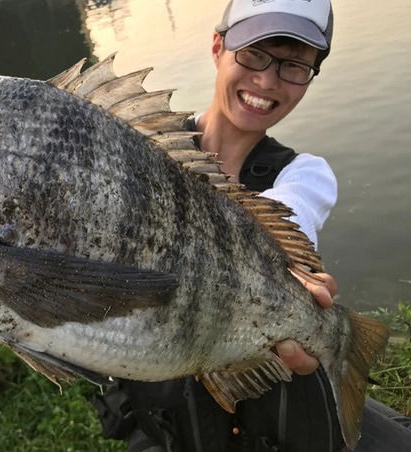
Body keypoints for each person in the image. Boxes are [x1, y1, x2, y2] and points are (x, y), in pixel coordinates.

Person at [93, 1, 411, 451]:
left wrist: (294, 278)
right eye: (255, 54)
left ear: (311, 76)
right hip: (163, 414)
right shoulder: (135, 148)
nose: (267, 80)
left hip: (264, 407)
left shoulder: (304, 174)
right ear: (218, 46)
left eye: (294, 65)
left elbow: (289, 218)